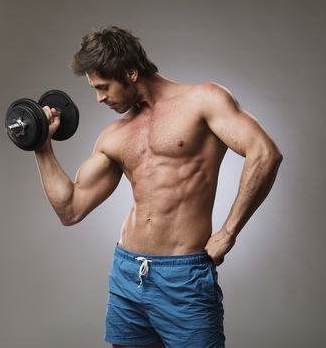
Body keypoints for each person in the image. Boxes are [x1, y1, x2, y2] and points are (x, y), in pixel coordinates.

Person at [33, 26, 283, 348]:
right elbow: (70, 209)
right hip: (127, 272)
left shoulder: (203, 100)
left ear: (131, 72)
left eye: (103, 87)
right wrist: (41, 145)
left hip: (183, 277)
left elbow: (265, 154)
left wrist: (229, 231)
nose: (99, 99)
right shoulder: (114, 135)